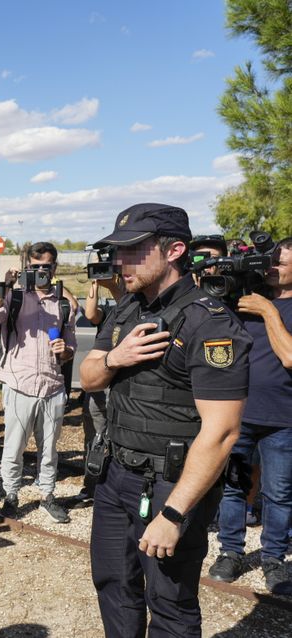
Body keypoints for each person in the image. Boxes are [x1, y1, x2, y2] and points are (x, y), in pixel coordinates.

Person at [80, 203, 250, 637]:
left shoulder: (209, 323)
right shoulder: (125, 310)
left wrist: (173, 515)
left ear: (174, 250)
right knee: (114, 585)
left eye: (134, 250)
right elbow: (89, 377)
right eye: (119, 251)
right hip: (115, 476)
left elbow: (222, 430)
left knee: (170, 606)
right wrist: (117, 358)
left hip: (170, 485)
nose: (120, 261)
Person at [207, 237, 292, 594]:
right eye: (271, 262)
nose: (272, 268)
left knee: (279, 493)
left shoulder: (267, 307)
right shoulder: (242, 298)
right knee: (233, 489)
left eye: (282, 263)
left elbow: (289, 357)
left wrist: (269, 312)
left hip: (283, 418)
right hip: (239, 411)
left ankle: (274, 558)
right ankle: (231, 552)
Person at [0, 242, 76, 524]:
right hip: (19, 383)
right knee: (14, 446)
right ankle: (11, 495)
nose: (41, 272)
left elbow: (70, 349)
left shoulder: (63, 303)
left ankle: (47, 495)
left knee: (49, 449)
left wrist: (66, 351)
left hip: (52, 385)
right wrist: (4, 289)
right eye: (35, 267)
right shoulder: (15, 296)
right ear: (27, 267)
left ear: (55, 268)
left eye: (46, 266)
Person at [69, 271, 124, 508]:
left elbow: (125, 301)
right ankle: (91, 487)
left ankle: (115, 490)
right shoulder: (109, 314)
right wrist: (95, 283)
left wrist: (113, 286)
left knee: (119, 438)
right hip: (99, 386)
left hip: (122, 386)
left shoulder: (133, 308)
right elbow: (91, 314)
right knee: (94, 438)